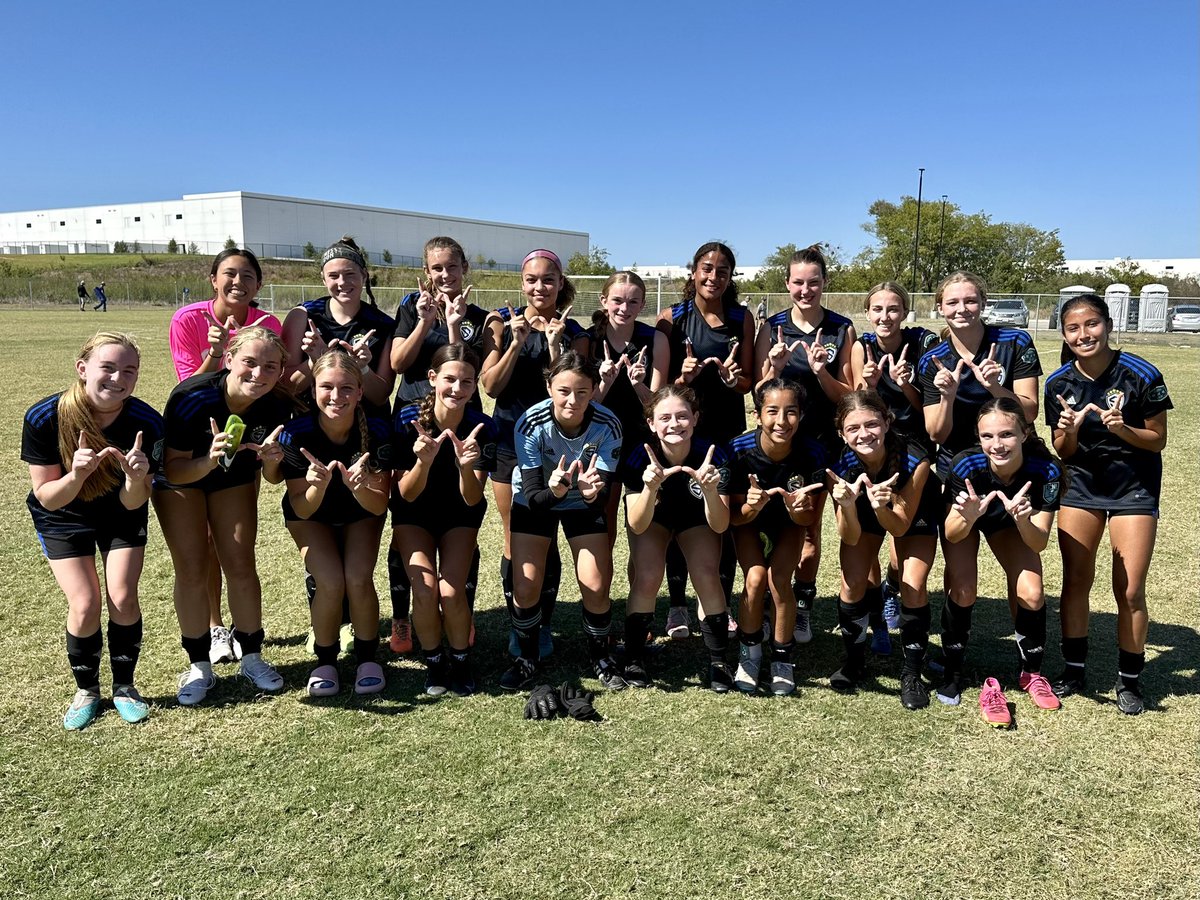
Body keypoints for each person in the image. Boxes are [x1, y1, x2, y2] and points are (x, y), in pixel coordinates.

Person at [22, 333, 164, 729]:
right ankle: (86, 690)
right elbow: (48, 497)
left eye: (129, 370)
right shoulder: (43, 417)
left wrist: (137, 477)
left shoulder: (147, 422)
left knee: (123, 598)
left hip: (120, 513)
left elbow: (135, 502)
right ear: (82, 369)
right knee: (84, 603)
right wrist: (77, 475)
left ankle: (124, 687)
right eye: (108, 367)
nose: (118, 377)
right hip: (62, 514)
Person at [1044, 294, 1171, 715]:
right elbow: (1063, 451)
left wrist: (1123, 429)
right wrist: (1067, 430)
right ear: (1064, 334)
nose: (1084, 334)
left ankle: (1130, 680)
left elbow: (1158, 440)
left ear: (1108, 324)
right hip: (1081, 487)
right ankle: (1074, 670)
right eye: (1074, 328)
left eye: (1092, 324)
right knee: (1076, 582)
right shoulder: (1058, 384)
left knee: (1130, 589)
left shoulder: (1141, 373)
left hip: (1132, 488)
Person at [154, 327, 294, 706]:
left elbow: (272, 477)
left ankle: (252, 656)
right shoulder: (192, 397)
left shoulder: (278, 405)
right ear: (229, 359)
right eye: (249, 362)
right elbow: (174, 469)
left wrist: (271, 462)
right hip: (183, 478)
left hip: (231, 478)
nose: (258, 374)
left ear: (281, 370)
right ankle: (199, 665)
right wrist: (208, 459)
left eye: (270, 366)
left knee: (240, 562)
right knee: (192, 567)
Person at [167, 247, 283, 666]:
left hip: (240, 447)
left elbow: (272, 378)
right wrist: (215, 355)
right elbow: (193, 387)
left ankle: (248, 644)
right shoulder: (190, 319)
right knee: (199, 553)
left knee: (234, 546)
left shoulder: (268, 324)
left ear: (259, 283)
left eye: (248, 275)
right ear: (213, 278)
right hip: (194, 438)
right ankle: (214, 630)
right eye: (229, 274)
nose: (238, 282)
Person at [480, 248, 588, 660]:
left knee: (549, 540)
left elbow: (569, 389)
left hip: (557, 450)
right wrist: (517, 341)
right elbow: (490, 385)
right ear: (521, 283)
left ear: (561, 283)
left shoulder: (575, 330)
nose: (539, 287)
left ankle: (541, 624)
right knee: (516, 538)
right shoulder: (502, 324)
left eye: (548, 279)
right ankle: (518, 625)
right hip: (510, 443)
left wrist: (555, 343)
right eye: (531, 279)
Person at [386, 236, 489, 656]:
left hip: (460, 416)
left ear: (464, 267)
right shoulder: (411, 307)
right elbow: (397, 364)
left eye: (451, 267)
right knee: (408, 516)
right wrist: (427, 322)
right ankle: (401, 619)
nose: (444, 275)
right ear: (426, 271)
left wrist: (452, 323)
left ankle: (460, 611)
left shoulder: (478, 317)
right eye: (436, 268)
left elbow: (466, 366)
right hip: (416, 418)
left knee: (461, 512)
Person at [501, 351, 624, 692]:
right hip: (538, 498)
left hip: (580, 503)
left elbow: (600, 498)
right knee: (526, 586)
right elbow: (535, 497)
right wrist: (556, 490)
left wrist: (587, 493)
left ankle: (601, 657)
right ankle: (526, 659)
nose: (572, 400)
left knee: (596, 586)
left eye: (582, 392)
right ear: (549, 387)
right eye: (564, 391)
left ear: (594, 389)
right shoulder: (530, 423)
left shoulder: (608, 424)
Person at [941, 398, 1065, 724]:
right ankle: (952, 669)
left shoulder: (1046, 468)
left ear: (1024, 433)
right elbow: (952, 535)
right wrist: (968, 516)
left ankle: (1031, 673)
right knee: (964, 589)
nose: (997, 445)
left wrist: (1023, 519)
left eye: (1007, 434)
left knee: (1033, 592)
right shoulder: (965, 467)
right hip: (966, 523)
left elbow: (1039, 541)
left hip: (1010, 523)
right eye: (987, 436)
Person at [278, 349, 394, 697]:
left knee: (357, 578)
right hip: (310, 516)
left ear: (360, 392)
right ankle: (325, 660)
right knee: (328, 581)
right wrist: (318, 487)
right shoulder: (296, 433)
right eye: (326, 387)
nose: (336, 396)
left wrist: (359, 489)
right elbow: (302, 507)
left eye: (346, 388)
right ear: (313, 389)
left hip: (361, 513)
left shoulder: (377, 429)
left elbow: (378, 505)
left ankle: (367, 658)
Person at [755, 244, 855, 645]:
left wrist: (821, 373)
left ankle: (803, 608)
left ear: (824, 283)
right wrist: (774, 368)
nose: (805, 289)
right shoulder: (772, 327)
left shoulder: (840, 328)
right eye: (798, 282)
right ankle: (769, 605)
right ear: (787, 283)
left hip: (822, 445)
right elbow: (759, 392)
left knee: (811, 534)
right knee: (776, 530)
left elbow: (848, 395)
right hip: (781, 444)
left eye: (813, 282)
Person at [657, 241, 754, 639]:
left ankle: (720, 602)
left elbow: (748, 381)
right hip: (682, 432)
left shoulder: (741, 318)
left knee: (722, 519)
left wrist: (736, 380)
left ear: (731, 276)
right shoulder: (671, 318)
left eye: (722, 270)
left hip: (725, 431)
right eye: (707, 268)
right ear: (694, 272)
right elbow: (660, 388)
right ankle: (677, 605)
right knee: (681, 514)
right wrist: (683, 379)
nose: (714, 277)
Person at [393, 344, 498, 697]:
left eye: (466, 382)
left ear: (475, 386)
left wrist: (465, 466)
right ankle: (435, 661)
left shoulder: (483, 428)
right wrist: (423, 461)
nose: (457, 389)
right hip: (414, 514)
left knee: (451, 591)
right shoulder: (408, 419)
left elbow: (472, 498)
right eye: (449, 379)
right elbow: (406, 494)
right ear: (433, 378)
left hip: (459, 515)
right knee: (423, 590)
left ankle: (461, 659)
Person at [826, 391, 938, 708]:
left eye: (872, 424)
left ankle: (912, 674)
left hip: (913, 514)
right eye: (853, 428)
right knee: (852, 583)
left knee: (912, 584)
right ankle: (855, 661)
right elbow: (849, 537)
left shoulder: (916, 457)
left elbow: (900, 526)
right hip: (864, 508)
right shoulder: (839, 463)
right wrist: (847, 506)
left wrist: (880, 506)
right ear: (841, 433)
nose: (864, 434)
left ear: (887, 423)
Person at [620, 386, 731, 690]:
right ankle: (633, 657)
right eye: (665, 417)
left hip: (696, 517)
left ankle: (719, 660)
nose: (674, 424)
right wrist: (649, 488)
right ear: (652, 423)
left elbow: (720, 525)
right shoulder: (638, 455)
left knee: (707, 574)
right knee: (647, 575)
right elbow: (638, 524)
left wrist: (710, 490)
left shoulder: (713, 453)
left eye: (682, 416)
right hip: (654, 518)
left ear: (695, 418)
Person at [850, 282, 939, 638]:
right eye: (878, 310)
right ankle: (879, 604)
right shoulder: (862, 346)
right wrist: (869, 384)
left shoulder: (923, 343)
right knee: (871, 528)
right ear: (868, 313)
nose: (885, 316)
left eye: (893, 309)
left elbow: (927, 407)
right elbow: (858, 409)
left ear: (904, 312)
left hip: (913, 450)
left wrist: (905, 385)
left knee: (902, 526)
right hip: (874, 448)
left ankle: (892, 585)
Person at [728, 379, 825, 696]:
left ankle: (782, 659)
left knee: (780, 579)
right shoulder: (739, 449)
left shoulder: (812, 451)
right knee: (755, 578)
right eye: (772, 411)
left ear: (801, 415)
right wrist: (750, 507)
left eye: (791, 412)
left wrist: (796, 510)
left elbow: (808, 519)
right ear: (757, 415)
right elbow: (733, 517)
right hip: (749, 523)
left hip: (788, 524)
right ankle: (750, 655)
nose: (781, 421)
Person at [918, 271, 1041, 482]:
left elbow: (1029, 414)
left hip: (1010, 457)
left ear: (983, 303)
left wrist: (994, 387)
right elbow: (937, 435)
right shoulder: (932, 360)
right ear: (940, 308)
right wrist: (947, 396)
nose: (961, 309)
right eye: (952, 302)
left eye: (970, 301)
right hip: (958, 463)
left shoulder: (1015, 342)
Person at [592, 271, 669, 550]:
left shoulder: (656, 339)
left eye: (633, 302)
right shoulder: (589, 340)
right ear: (604, 300)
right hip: (601, 442)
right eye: (617, 300)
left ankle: (640, 592)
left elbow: (660, 408)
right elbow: (582, 408)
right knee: (604, 527)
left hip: (641, 443)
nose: (624, 309)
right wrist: (604, 383)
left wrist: (638, 385)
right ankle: (603, 594)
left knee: (642, 528)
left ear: (643, 305)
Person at [283, 236, 396, 410]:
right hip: (312, 420)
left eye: (350, 274)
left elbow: (380, 397)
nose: (342, 282)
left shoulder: (383, 324)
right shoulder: (302, 316)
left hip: (367, 422)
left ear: (364, 275)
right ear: (323, 279)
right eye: (333, 276)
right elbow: (287, 388)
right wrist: (314, 361)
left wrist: (362, 369)